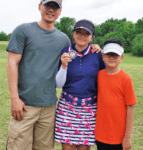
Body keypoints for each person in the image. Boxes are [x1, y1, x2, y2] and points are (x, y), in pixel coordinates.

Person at [6, 0, 102, 150]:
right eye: (48, 6)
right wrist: (14, 99)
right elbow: (12, 64)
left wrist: (94, 47)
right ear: (39, 7)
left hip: (49, 106)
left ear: (60, 11)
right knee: (18, 147)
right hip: (25, 105)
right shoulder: (23, 30)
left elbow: (79, 48)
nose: (51, 10)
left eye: (55, 7)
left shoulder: (63, 39)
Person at [55, 19, 106, 150]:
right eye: (79, 32)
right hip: (67, 107)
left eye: (86, 33)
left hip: (89, 109)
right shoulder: (65, 51)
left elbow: (103, 80)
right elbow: (59, 84)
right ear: (73, 33)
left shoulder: (97, 54)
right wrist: (64, 66)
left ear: (92, 37)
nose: (82, 36)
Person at [95, 39, 138, 150]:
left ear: (122, 58)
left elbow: (130, 107)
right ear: (103, 56)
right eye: (108, 54)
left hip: (118, 138)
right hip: (101, 135)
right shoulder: (99, 75)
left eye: (115, 55)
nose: (112, 58)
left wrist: (127, 137)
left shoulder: (126, 79)